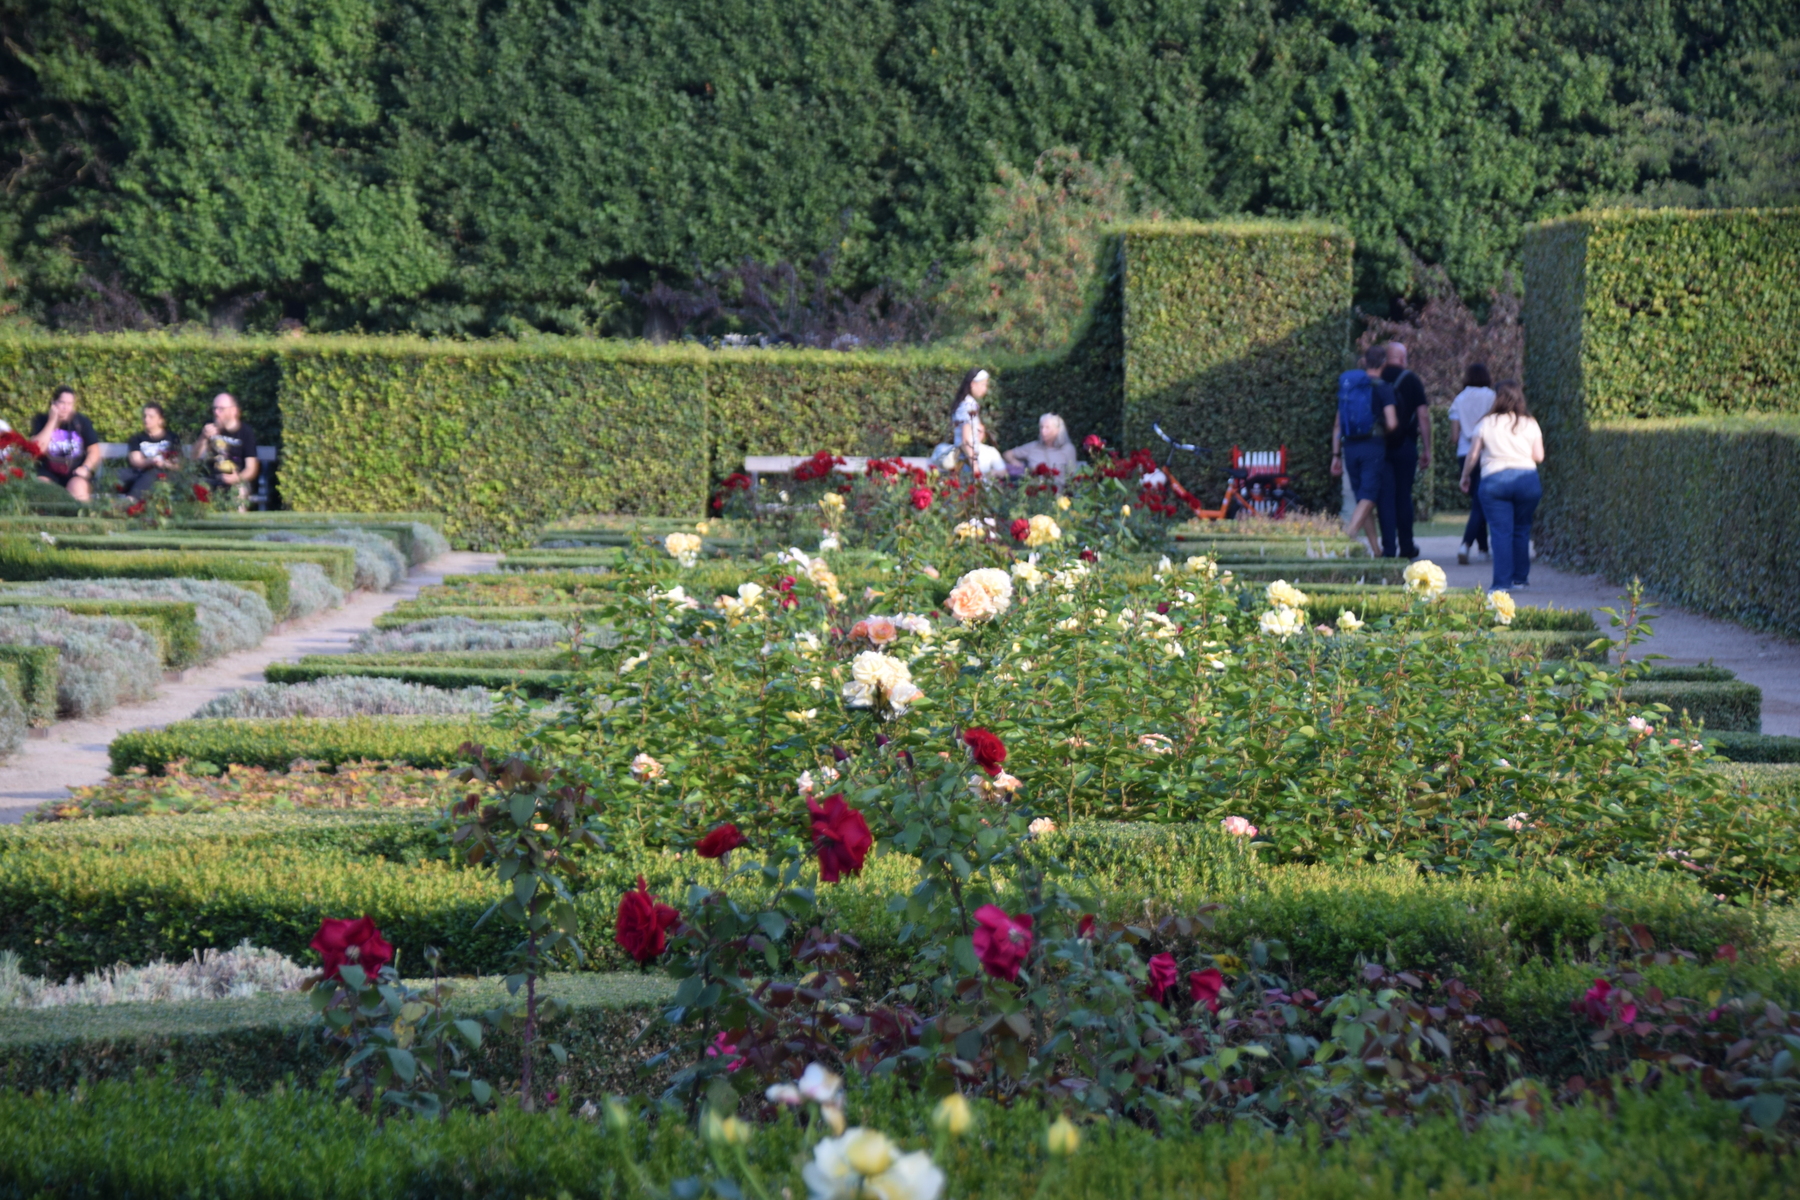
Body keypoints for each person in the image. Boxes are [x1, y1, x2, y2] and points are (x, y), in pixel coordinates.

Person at [1460, 380, 1544, 592]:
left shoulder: (1487, 422)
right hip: (1527, 480)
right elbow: (1539, 456)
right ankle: (1520, 579)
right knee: (1521, 529)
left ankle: (1501, 583)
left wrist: (1465, 476)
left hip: (1494, 479)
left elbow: (1473, 455)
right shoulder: (1530, 422)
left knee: (1500, 532)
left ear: (1497, 398)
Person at [1330, 345, 1399, 557]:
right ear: (1384, 363)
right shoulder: (1383, 387)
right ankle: (1348, 535)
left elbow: (1337, 425)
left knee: (1363, 497)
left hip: (1349, 446)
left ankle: (1376, 551)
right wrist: (1382, 432)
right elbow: (1392, 422)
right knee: (1369, 495)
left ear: (1364, 362)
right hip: (1372, 446)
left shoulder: (1351, 387)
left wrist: (1335, 455)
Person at [1378, 342, 1431, 559]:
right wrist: (1426, 448)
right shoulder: (1411, 380)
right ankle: (1406, 546)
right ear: (1402, 358)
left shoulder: (1377, 378)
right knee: (1403, 496)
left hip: (1379, 445)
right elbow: (1423, 416)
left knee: (1385, 498)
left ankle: (1388, 548)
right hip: (1405, 445)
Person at [1448, 363, 1496, 565]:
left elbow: (1454, 436)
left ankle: (1482, 549)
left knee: (1478, 501)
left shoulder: (1459, 399)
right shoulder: (1492, 396)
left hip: (1464, 454)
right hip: (1486, 453)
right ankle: (1467, 544)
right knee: (1481, 502)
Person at [28, 386, 104, 502]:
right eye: (62, 403)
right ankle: (45, 514)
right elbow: (37, 449)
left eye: (69, 404)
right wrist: (52, 421)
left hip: (74, 470)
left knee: (78, 487)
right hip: (48, 470)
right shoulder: (41, 420)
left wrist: (86, 468)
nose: (65, 408)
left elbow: (94, 449)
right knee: (42, 488)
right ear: (53, 402)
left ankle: (82, 513)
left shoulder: (81, 422)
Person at [193, 392, 259, 502]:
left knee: (239, 490)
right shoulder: (209, 427)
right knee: (196, 488)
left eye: (221, 409)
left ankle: (237, 514)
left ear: (234, 410)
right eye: (214, 408)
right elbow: (194, 457)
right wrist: (203, 437)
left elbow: (251, 469)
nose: (216, 412)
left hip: (237, 480)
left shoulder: (246, 432)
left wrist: (237, 478)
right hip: (211, 479)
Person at [120, 402, 180, 499]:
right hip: (140, 473)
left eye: (151, 417)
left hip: (165, 474)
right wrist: (151, 461)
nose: (146, 419)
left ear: (160, 420)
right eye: (145, 416)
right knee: (117, 475)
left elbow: (178, 465)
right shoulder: (137, 438)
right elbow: (136, 461)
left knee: (153, 473)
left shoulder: (172, 438)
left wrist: (163, 464)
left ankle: (130, 500)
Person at [1003, 413, 1079, 485]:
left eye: (1047, 427)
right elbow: (1007, 454)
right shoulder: (1033, 447)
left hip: (1060, 492)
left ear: (1057, 430)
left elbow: (1073, 476)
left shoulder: (1068, 449)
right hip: (1036, 491)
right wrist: (1015, 463)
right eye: (1041, 427)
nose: (1043, 431)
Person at [933, 416, 1007, 480]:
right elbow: (934, 468)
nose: (977, 434)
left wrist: (990, 473)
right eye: (974, 430)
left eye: (980, 431)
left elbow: (1003, 472)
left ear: (984, 434)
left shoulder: (990, 451)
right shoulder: (946, 449)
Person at [950, 368, 990, 444]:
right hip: (966, 451)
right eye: (983, 385)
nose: (985, 389)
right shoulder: (968, 406)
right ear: (973, 384)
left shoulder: (965, 403)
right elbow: (966, 441)